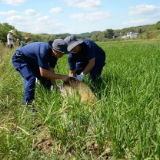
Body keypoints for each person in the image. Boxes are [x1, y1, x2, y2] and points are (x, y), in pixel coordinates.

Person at [12, 39, 70, 105]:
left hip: (33, 61)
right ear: (53, 49)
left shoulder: (55, 56)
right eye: (60, 52)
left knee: (46, 79)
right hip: (20, 59)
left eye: (63, 53)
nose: (61, 55)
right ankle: (27, 104)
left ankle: (50, 98)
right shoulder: (44, 52)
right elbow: (43, 73)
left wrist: (55, 85)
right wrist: (61, 77)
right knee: (31, 78)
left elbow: (50, 71)